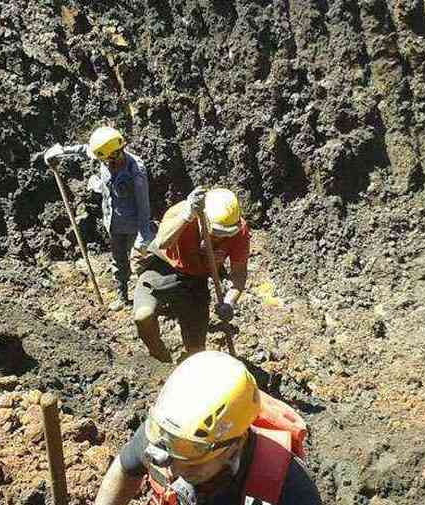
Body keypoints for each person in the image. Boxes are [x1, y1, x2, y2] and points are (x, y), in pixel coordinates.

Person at [94, 351, 322, 505]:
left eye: (191, 466)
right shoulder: (168, 435)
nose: (173, 471)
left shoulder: (291, 490)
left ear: (233, 447)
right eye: (170, 459)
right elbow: (125, 468)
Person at [132, 187, 250, 362]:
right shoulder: (183, 212)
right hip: (163, 267)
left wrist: (229, 302)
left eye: (224, 234)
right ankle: (159, 358)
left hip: (196, 280)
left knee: (196, 354)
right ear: (203, 219)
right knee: (143, 317)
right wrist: (186, 216)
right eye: (214, 232)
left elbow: (239, 275)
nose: (217, 238)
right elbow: (163, 241)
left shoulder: (239, 231)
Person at [44, 127, 154, 310]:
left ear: (115, 154)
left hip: (133, 226)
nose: (102, 162)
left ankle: (147, 302)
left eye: (105, 159)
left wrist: (144, 236)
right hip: (113, 222)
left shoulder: (136, 169)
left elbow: (144, 206)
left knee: (140, 265)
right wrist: (61, 151)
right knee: (118, 261)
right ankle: (122, 296)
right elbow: (84, 150)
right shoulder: (105, 155)